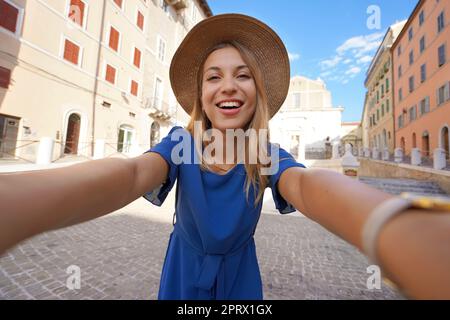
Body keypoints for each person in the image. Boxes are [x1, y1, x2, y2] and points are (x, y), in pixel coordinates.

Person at [0, 14, 449, 300]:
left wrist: (392, 223)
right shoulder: (180, 143)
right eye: (214, 76)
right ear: (201, 93)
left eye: (243, 76)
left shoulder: (267, 155)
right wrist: (19, 200)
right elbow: (133, 172)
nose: (228, 85)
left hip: (240, 279)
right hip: (183, 272)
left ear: (258, 94)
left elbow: (309, 187)